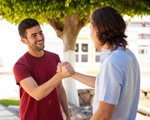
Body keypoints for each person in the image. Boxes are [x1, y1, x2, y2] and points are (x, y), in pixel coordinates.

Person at [57, 6, 140, 120]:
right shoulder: (128, 55)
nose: (90, 35)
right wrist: (72, 73)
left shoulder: (113, 62)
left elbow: (104, 114)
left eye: (90, 28)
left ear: (98, 29)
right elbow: (103, 83)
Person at [13, 18, 73, 120]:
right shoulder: (20, 66)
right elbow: (37, 94)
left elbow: (60, 89)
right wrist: (60, 75)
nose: (40, 37)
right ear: (24, 41)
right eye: (34, 36)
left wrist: (67, 116)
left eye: (41, 33)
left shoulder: (55, 57)